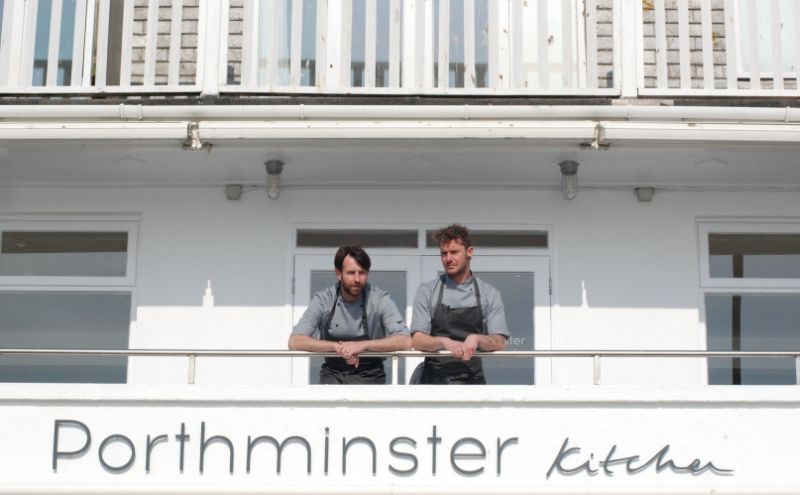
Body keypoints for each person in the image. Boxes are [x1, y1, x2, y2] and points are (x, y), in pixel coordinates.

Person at [289, 246, 411, 384]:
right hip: (332, 374)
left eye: (362, 272)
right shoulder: (323, 299)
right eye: (351, 273)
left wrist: (363, 345)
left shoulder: (380, 298)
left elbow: (405, 341)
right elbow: (295, 341)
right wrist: (336, 347)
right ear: (338, 273)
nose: (357, 279)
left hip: (370, 375)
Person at [411, 224, 509, 384]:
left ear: (469, 252)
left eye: (454, 252)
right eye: (444, 254)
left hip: (472, 382)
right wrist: (444, 342)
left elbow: (500, 342)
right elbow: (417, 340)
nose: (448, 259)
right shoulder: (427, 291)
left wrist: (476, 339)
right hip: (433, 383)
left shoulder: (489, 293)